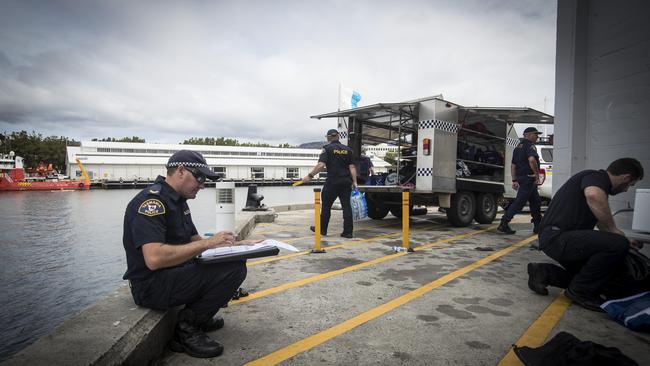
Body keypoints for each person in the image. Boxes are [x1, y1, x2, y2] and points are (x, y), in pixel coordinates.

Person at [122, 150, 258, 358]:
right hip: (151, 285)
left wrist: (238, 246)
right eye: (200, 178)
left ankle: (199, 316)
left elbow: (193, 240)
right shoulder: (152, 203)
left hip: (173, 273)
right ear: (181, 171)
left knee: (234, 260)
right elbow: (154, 258)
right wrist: (209, 243)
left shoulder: (178, 201)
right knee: (233, 270)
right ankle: (186, 330)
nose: (203, 185)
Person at [526, 158, 644, 312]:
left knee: (599, 279)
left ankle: (544, 273)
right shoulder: (595, 177)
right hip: (558, 238)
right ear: (626, 178)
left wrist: (624, 240)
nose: (626, 189)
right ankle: (580, 292)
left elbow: (602, 224)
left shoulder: (596, 182)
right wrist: (617, 234)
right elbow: (593, 195)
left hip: (557, 239)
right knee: (617, 245)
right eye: (630, 185)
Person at [302, 129, 357, 238]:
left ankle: (322, 229)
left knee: (326, 206)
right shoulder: (348, 150)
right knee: (346, 207)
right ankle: (348, 232)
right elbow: (352, 167)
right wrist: (355, 182)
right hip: (346, 182)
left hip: (332, 181)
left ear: (328, 137)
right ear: (338, 137)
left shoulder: (327, 149)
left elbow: (321, 165)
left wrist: (310, 176)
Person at [498, 127, 543, 234]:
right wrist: (537, 175)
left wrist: (514, 180)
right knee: (519, 202)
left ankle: (538, 225)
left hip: (523, 178)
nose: (537, 136)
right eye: (535, 134)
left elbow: (513, 165)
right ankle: (504, 223)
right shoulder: (529, 146)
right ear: (528, 135)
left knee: (535, 202)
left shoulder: (517, 147)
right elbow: (532, 160)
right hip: (529, 178)